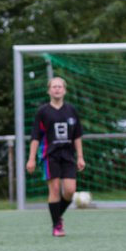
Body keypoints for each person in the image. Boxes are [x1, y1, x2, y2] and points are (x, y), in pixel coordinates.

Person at [25, 76, 85, 237]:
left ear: (64, 90)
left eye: (60, 86)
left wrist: (80, 156)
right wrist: (31, 158)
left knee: (70, 191)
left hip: (68, 155)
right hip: (50, 155)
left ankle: (57, 216)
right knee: (55, 189)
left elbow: (77, 136)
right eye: (54, 86)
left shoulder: (71, 110)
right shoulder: (43, 112)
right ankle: (56, 225)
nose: (57, 89)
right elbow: (36, 137)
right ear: (49, 90)